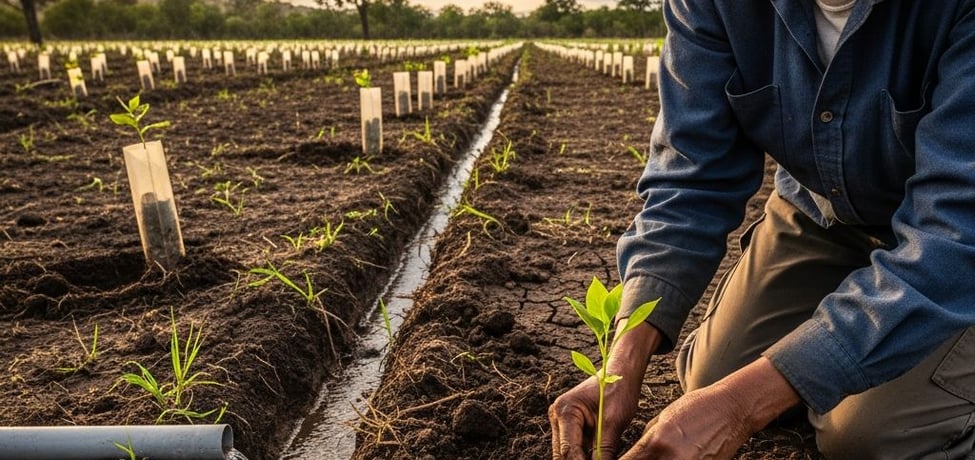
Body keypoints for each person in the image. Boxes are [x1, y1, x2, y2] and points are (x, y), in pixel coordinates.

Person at [550, 0, 975, 458]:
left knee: (868, 438)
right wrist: (622, 360)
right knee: (710, 378)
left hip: (955, 239)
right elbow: (691, 176)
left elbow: (953, 235)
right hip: (824, 212)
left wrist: (741, 407)